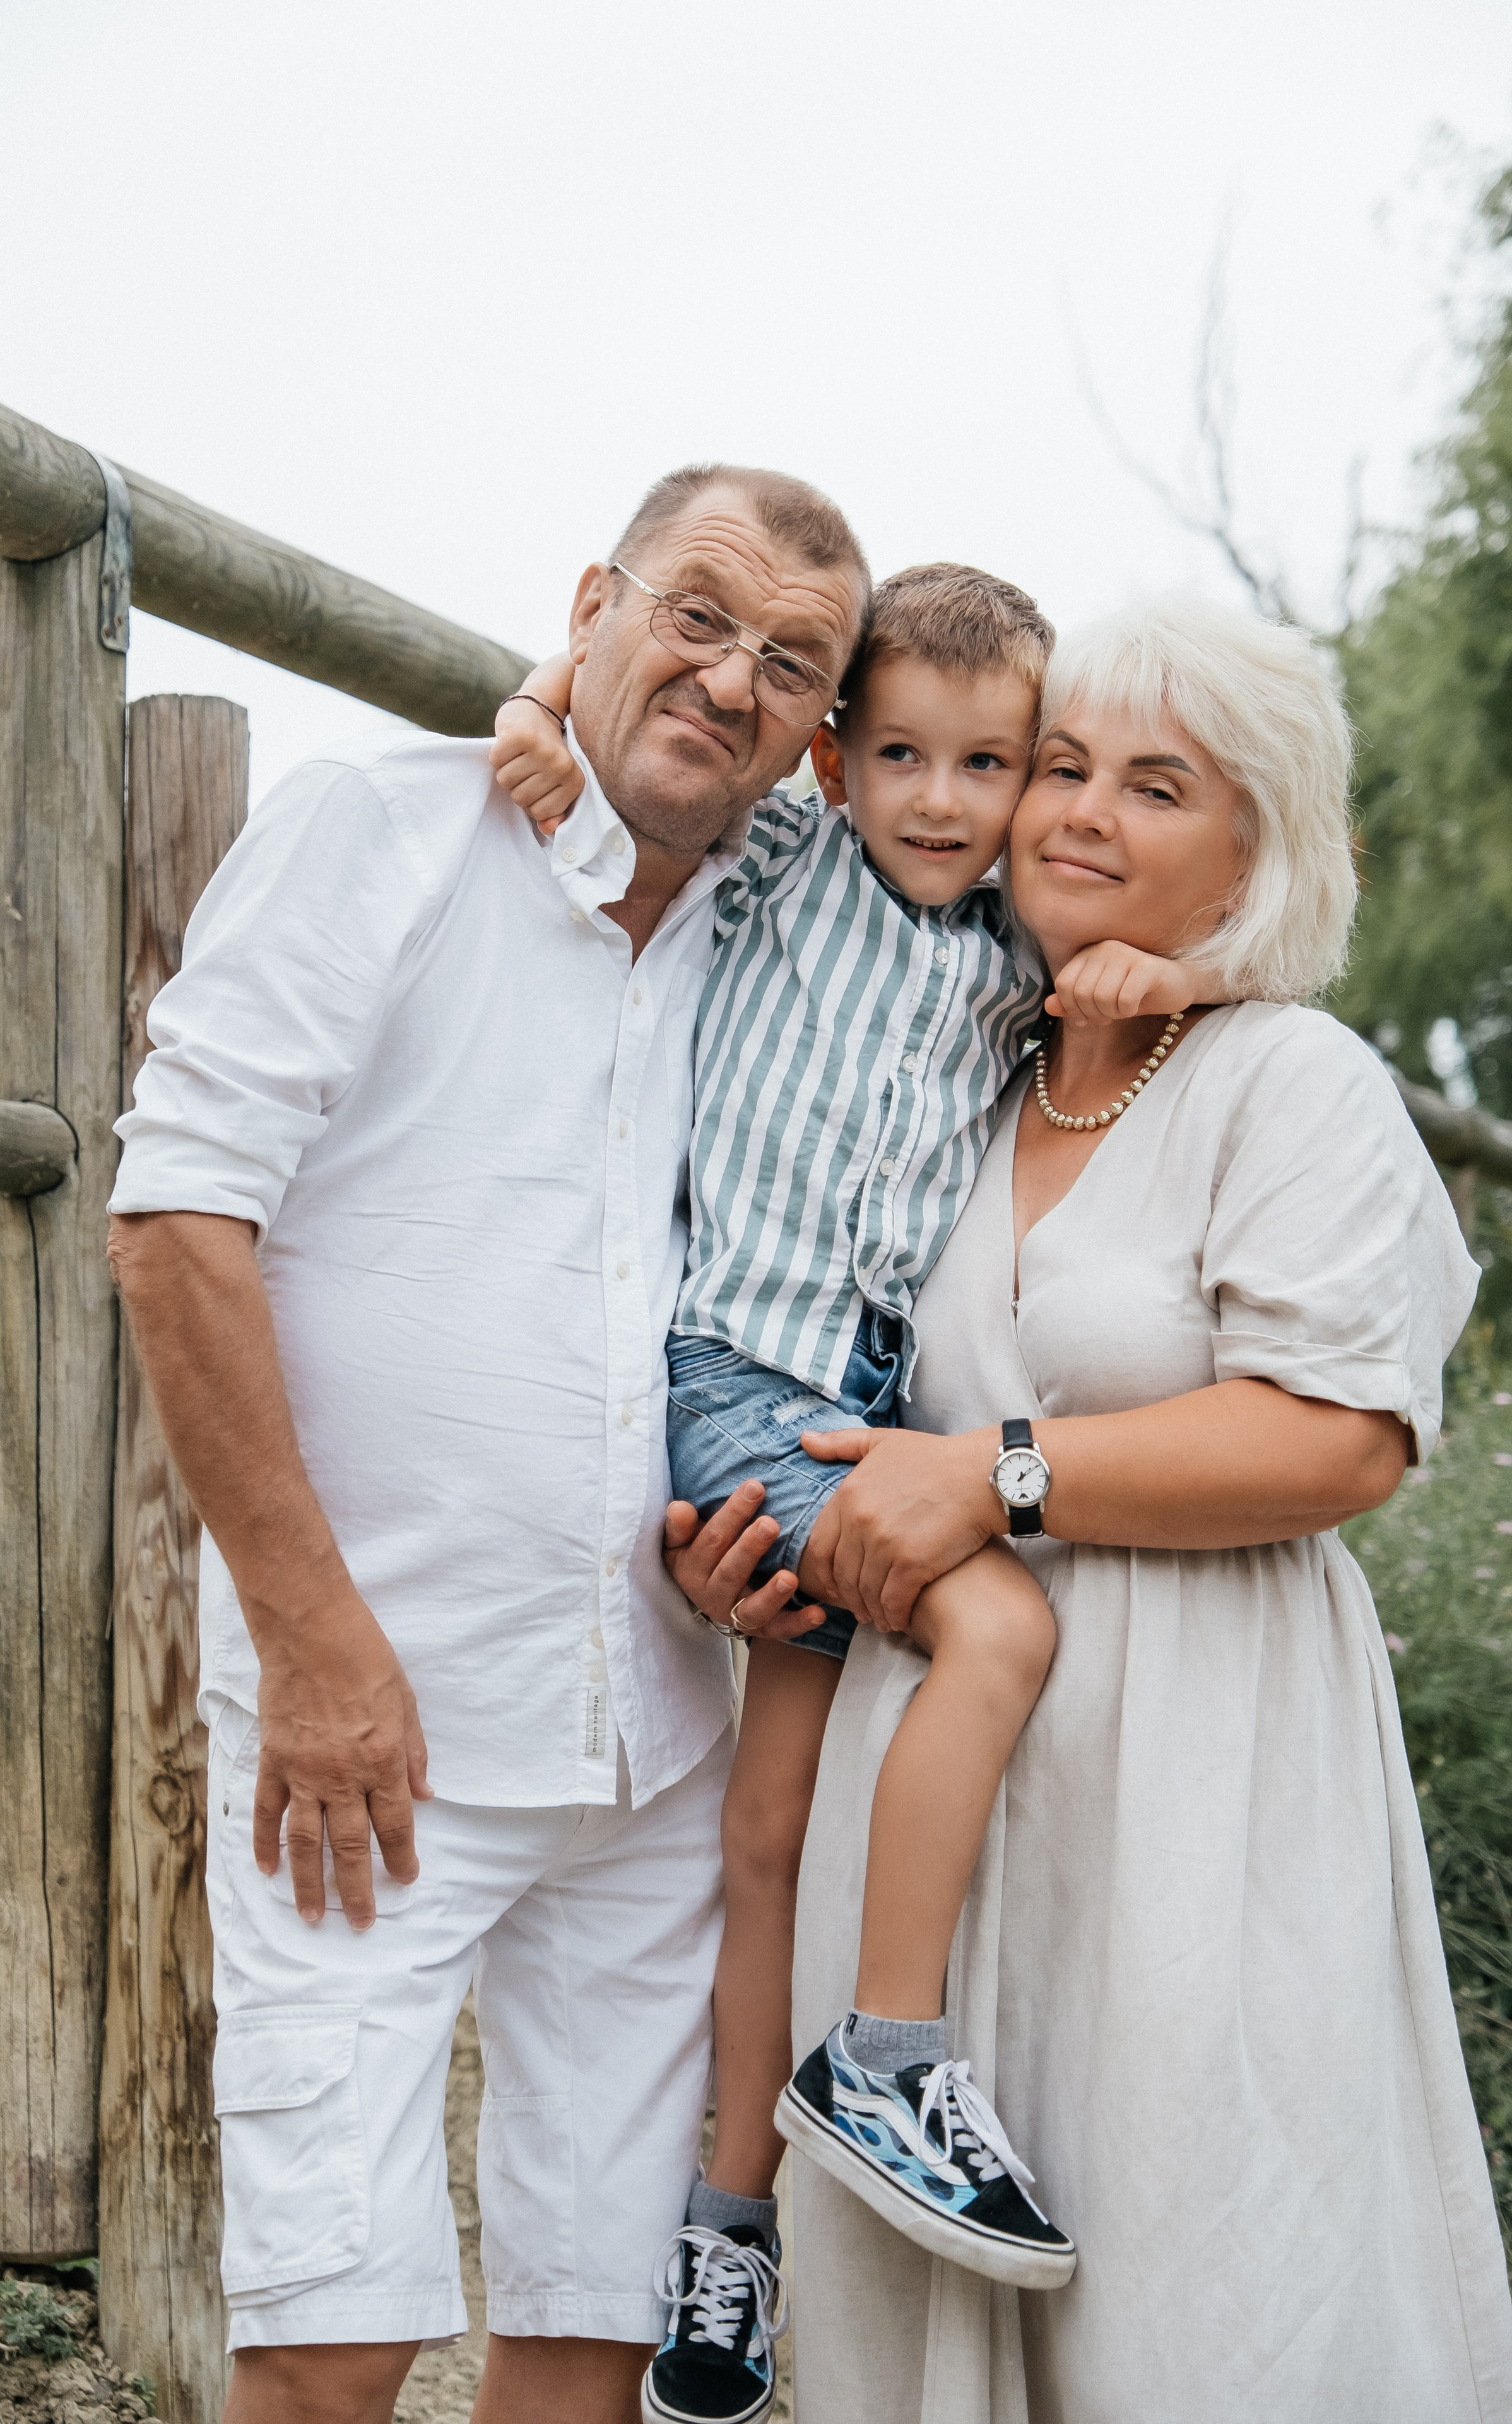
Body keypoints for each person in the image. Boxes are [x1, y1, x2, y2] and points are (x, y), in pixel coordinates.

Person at [677, 598, 1512, 2421]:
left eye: (1156, 785)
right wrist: (761, 1545)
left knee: (1202, 2296)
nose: (1078, 812)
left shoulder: (1290, 1080)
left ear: (1256, 854)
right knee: (932, 2330)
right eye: (1062, 766)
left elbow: (1345, 1442)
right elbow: (833, 1391)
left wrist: (997, 1473)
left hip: (1203, 1777)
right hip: (933, 1784)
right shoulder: (965, 1074)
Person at [104, 463, 870, 2424]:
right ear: (590, 605)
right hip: (367, 1733)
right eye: (696, 616)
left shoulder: (784, 936)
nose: (732, 679)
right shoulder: (384, 832)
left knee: (591, 2332)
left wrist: (713, 1528)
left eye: (792, 663)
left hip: (655, 1740)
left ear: (817, 729)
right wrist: (313, 1643)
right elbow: (176, 1221)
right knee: (333, 2336)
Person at [492, 569, 1208, 2424]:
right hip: (740, 1386)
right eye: (901, 756)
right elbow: (640, 732)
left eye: (990, 763)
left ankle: (727, 2237)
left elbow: (1198, 943)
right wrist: (537, 699)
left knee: (772, 1827)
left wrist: (1175, 975)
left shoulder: (1017, 952)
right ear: (834, 756)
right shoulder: (790, 864)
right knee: (1000, 1622)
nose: (945, 802)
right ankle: (885, 2056)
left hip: (874, 1418)